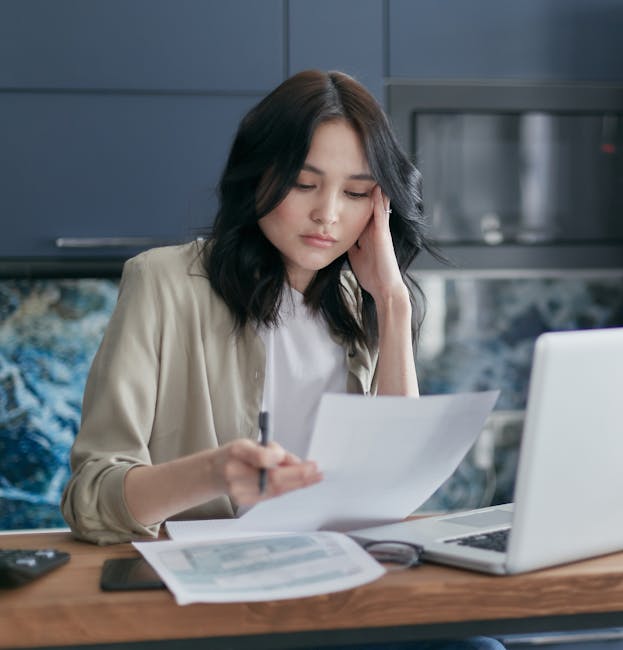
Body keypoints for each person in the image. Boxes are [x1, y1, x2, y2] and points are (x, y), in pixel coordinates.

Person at [61, 70, 505, 650]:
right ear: (259, 175)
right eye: (303, 184)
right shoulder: (164, 282)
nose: (328, 215)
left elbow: (397, 485)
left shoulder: (356, 301)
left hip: (336, 590)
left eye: (354, 193)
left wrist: (392, 306)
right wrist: (216, 472)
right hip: (209, 607)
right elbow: (90, 501)